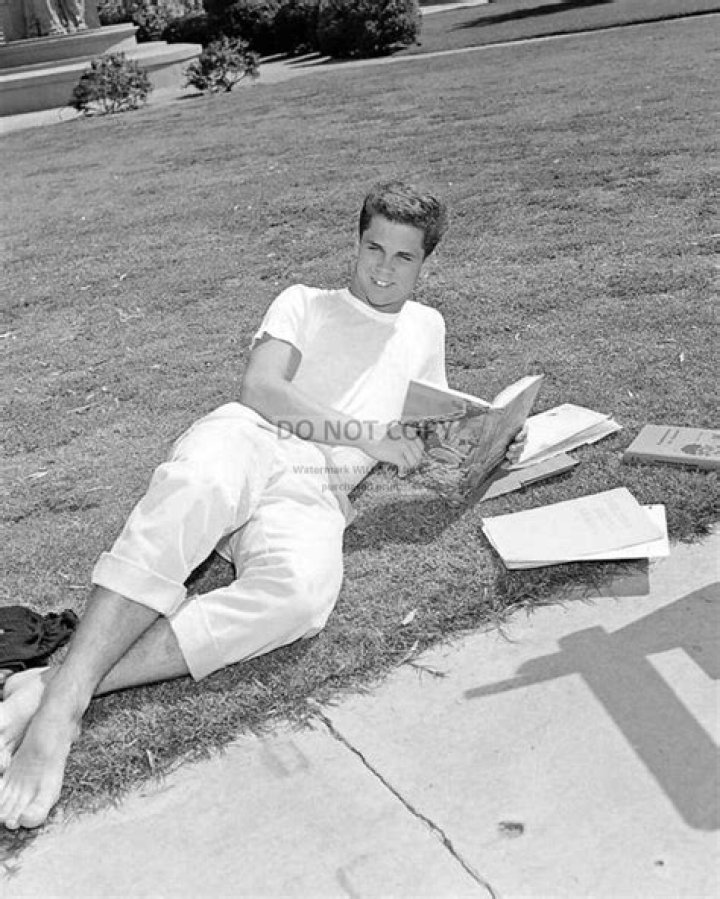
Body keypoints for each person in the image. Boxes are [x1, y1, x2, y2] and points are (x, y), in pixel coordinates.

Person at [0, 180, 524, 831]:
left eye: (403, 257)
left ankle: (57, 685)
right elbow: (262, 389)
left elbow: (430, 427)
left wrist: (494, 442)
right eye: (373, 248)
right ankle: (60, 714)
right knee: (198, 485)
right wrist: (366, 435)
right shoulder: (305, 302)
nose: (383, 270)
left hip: (317, 489)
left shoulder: (426, 327)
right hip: (253, 438)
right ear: (356, 242)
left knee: (302, 598)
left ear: (425, 262)